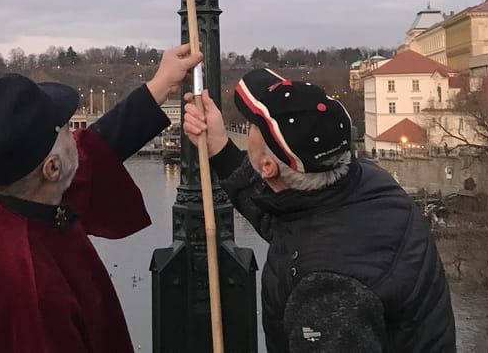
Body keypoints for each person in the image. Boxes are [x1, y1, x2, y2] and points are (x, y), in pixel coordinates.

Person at [0, 44, 202, 353]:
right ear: (52, 168)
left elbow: (91, 151)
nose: (76, 135)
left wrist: (160, 85)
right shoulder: (30, 295)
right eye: (67, 129)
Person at [183, 68, 456, 352]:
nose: (247, 126)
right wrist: (220, 148)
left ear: (268, 167)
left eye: (254, 124)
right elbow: (285, 218)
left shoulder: (328, 292)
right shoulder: (365, 182)